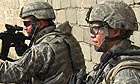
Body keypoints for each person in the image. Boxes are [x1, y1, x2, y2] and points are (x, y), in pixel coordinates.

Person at [0, 1, 86, 84]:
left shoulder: (42, 48)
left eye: (26, 23)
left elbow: (13, 72)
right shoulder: (64, 37)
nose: (25, 28)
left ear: (40, 24)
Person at [68, 0, 140, 84]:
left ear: (116, 31)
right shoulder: (113, 58)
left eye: (96, 29)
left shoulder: (126, 74)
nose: (92, 35)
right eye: (91, 29)